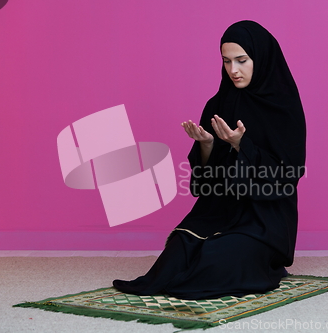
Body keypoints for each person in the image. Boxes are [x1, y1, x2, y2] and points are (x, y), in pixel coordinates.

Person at [113, 20, 306, 300]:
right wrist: (206, 145)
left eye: (242, 60)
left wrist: (242, 145)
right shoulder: (217, 105)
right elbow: (207, 182)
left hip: (265, 218)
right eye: (226, 61)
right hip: (219, 210)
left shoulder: (284, 108)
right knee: (180, 249)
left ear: (261, 57)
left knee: (219, 258)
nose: (233, 70)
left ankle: (261, 259)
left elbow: (289, 173)